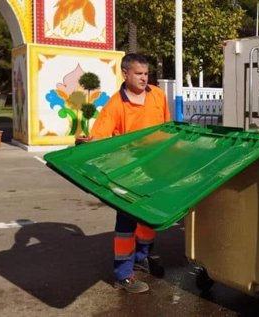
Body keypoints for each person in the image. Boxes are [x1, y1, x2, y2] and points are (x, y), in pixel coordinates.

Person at [78, 53, 171, 293]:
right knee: (126, 224)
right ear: (125, 74)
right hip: (128, 174)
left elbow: (169, 130)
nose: (144, 78)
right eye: (139, 74)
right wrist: (85, 144)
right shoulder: (115, 105)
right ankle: (123, 274)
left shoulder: (158, 96)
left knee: (149, 219)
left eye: (146, 73)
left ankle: (142, 258)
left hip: (156, 169)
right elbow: (100, 138)